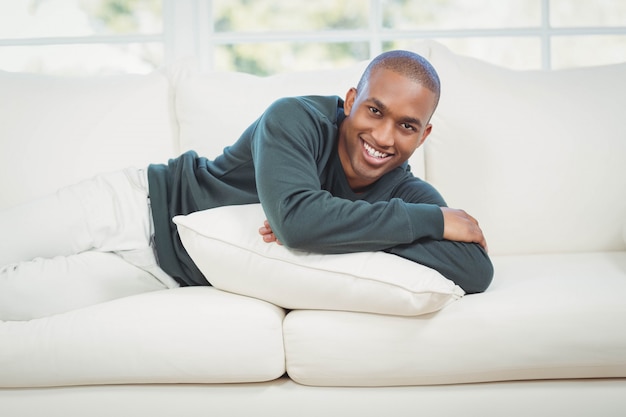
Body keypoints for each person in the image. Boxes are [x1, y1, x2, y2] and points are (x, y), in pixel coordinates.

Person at [0, 50, 493, 321]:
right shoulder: (295, 118)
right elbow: (300, 223)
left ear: (424, 134)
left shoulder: (405, 192)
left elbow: (474, 269)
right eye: (375, 110)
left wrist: (333, 230)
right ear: (350, 101)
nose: (383, 137)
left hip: (167, 273)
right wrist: (429, 223)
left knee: (12, 302)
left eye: (407, 126)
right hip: (135, 204)